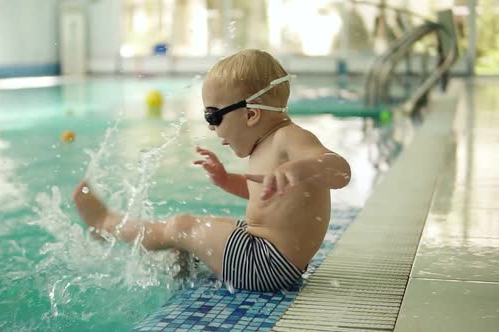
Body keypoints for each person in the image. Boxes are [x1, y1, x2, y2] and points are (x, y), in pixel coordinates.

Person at [72, 49, 351, 292]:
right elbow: (265, 197)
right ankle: (177, 262)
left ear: (251, 114)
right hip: (268, 255)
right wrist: (226, 180)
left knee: (182, 225)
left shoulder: (289, 138)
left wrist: (300, 169)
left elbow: (341, 171)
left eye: (213, 116)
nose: (210, 127)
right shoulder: (266, 144)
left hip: (268, 264)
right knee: (202, 228)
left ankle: (106, 223)